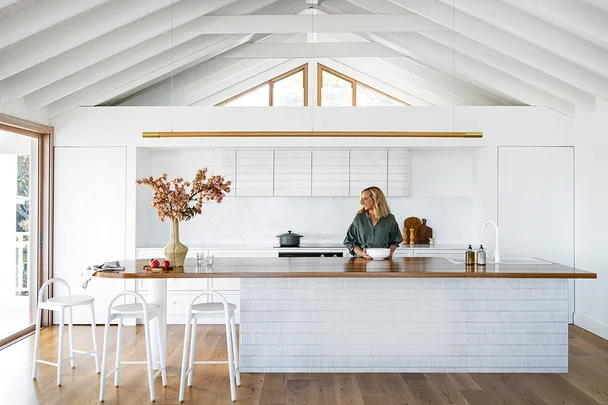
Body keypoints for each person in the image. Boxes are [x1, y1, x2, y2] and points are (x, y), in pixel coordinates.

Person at [343, 186, 403, 259]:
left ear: (376, 199)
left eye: (365, 198)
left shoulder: (390, 219)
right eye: (361, 199)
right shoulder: (359, 218)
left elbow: (394, 241)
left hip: (383, 261)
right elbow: (349, 242)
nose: (361, 202)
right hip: (362, 263)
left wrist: (389, 252)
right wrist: (362, 253)